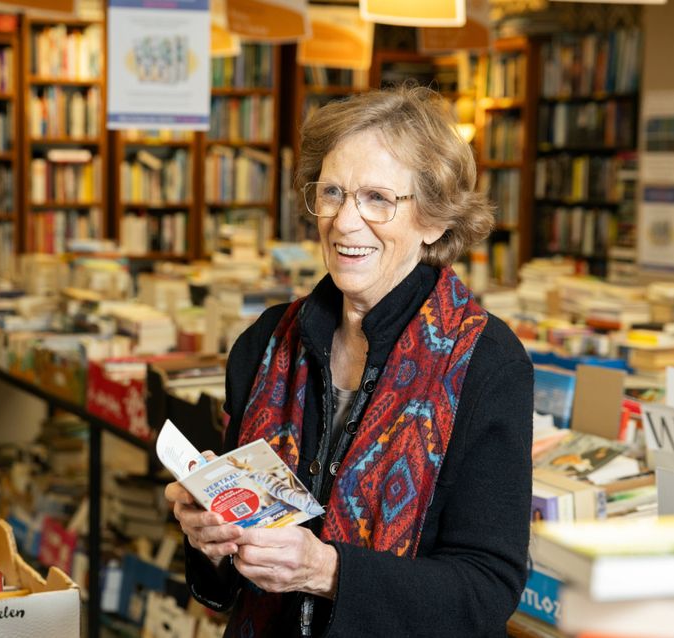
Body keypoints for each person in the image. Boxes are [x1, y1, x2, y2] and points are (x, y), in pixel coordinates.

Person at [164, 85, 533, 637]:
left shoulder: (488, 365)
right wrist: (210, 541)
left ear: (433, 219)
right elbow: (227, 584)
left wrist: (328, 572)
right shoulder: (264, 345)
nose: (344, 222)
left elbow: (484, 590)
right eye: (332, 191)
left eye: (378, 198)